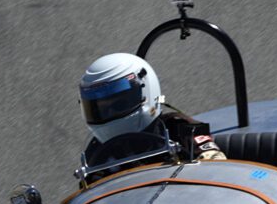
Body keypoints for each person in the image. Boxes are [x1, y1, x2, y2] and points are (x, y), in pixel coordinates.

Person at [78, 53, 225, 178]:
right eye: (101, 110)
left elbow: (218, 170)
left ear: (147, 92)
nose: (109, 113)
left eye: (118, 105)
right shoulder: (96, 155)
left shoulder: (181, 128)